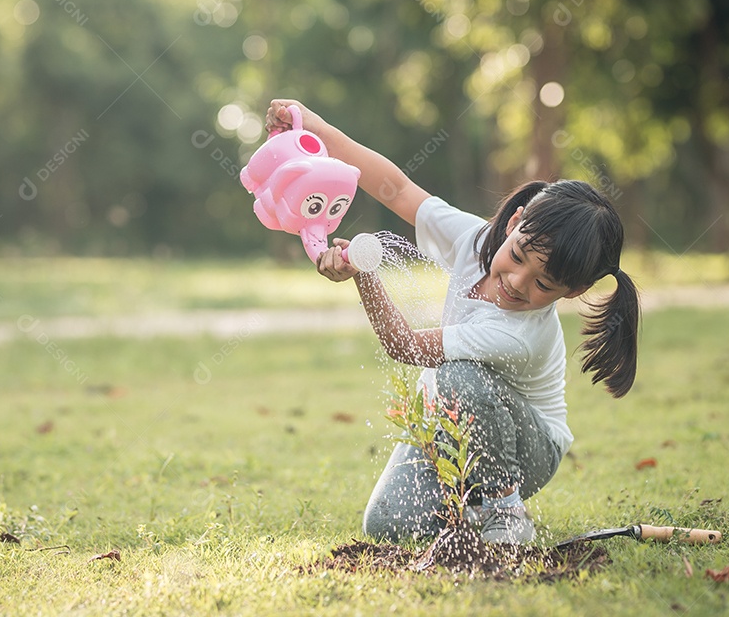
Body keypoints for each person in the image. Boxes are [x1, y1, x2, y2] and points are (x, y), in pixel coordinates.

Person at [265, 98, 640, 546]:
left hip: (528, 448)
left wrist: (364, 274)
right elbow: (397, 189)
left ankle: (504, 508)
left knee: (459, 374)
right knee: (388, 526)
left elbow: (405, 347)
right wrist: (321, 129)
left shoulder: (520, 334)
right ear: (513, 223)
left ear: (573, 292)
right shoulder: (475, 238)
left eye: (544, 284)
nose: (517, 282)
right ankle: (469, 507)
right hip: (452, 421)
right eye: (517, 256)